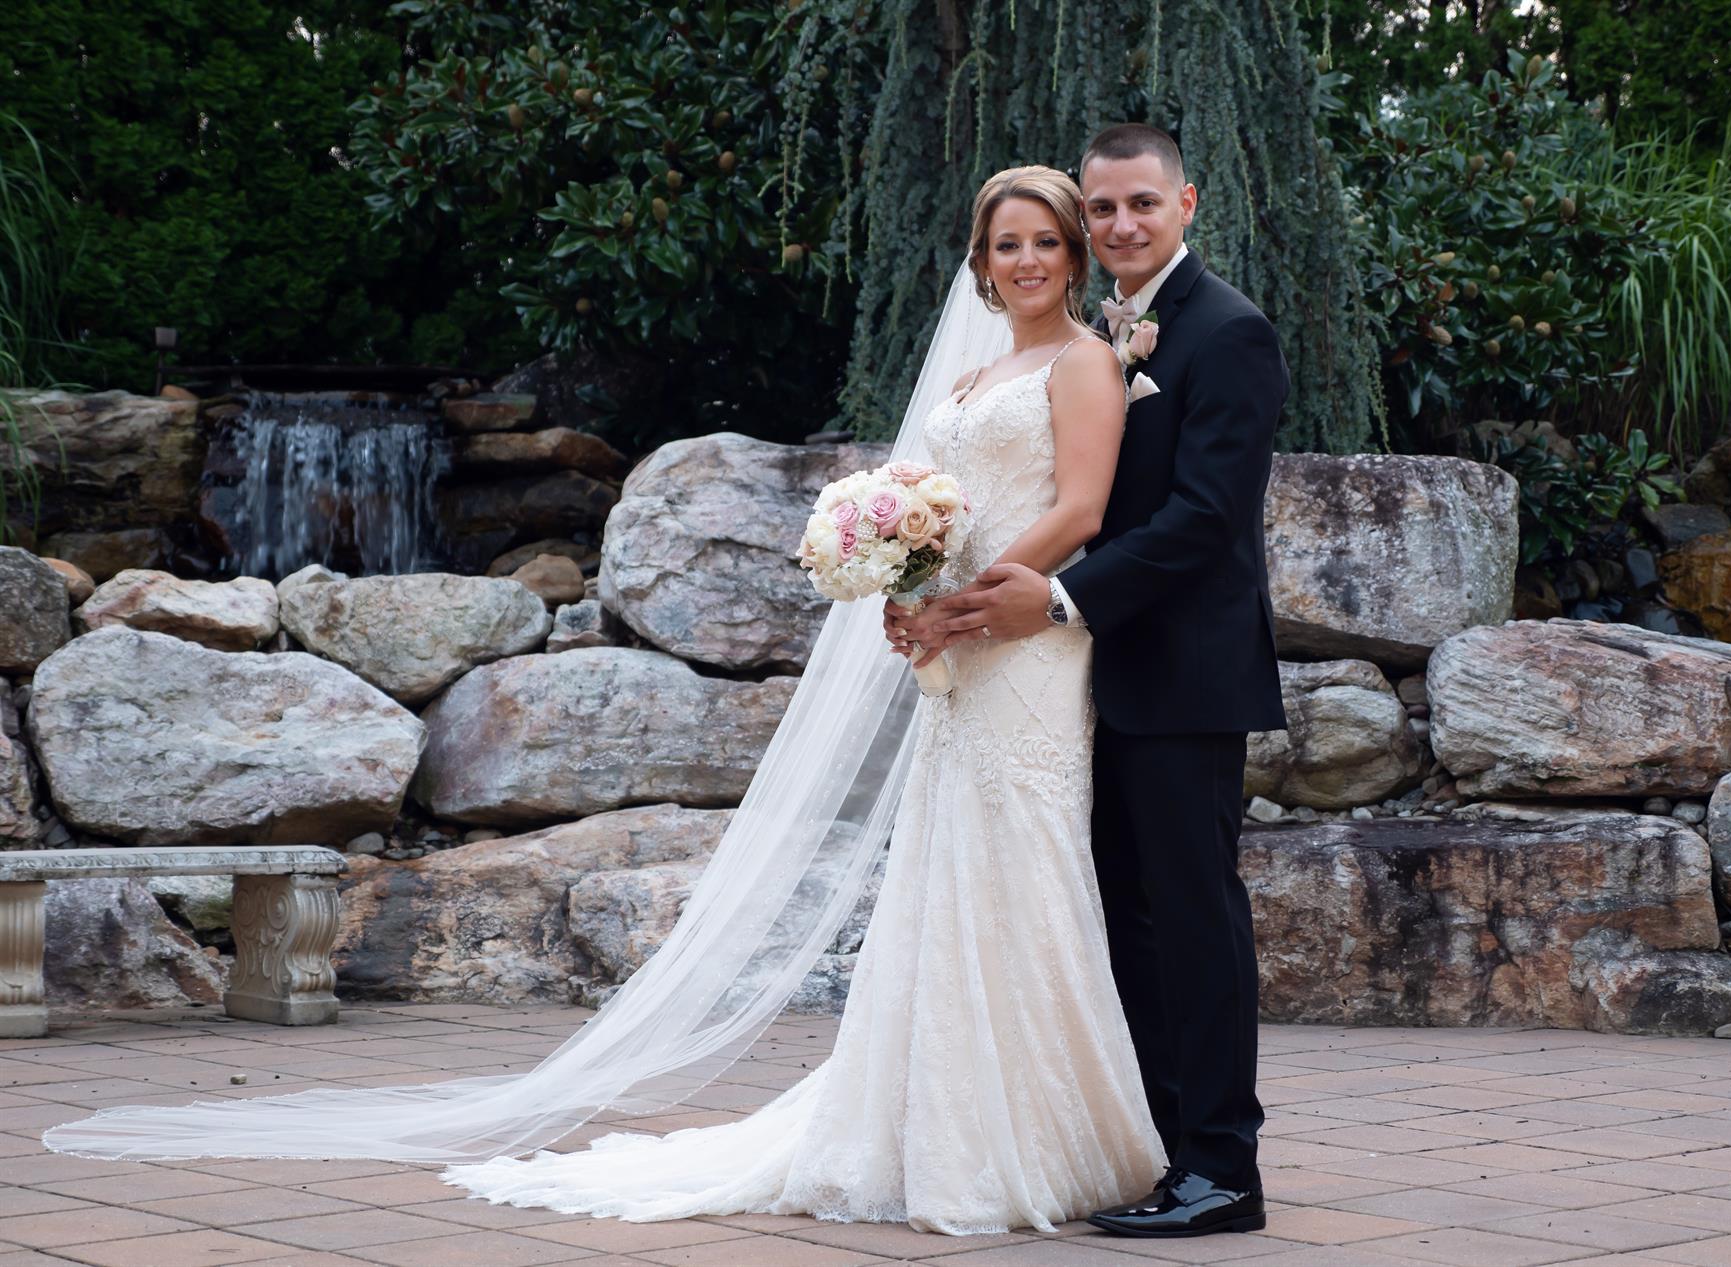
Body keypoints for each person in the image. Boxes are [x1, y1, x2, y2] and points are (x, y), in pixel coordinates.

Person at [44, 163, 1183, 1238]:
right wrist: (911, 592)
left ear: (1073, 256)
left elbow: (1081, 510)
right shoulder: (973, 378)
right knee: (948, 873)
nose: (1025, 261)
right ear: (980, 261)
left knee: (1026, 865)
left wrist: (959, 605)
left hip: (1021, 650)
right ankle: (944, 1130)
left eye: (1045, 242)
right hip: (958, 645)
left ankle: (1043, 1138)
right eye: (1005, 244)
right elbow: (947, 508)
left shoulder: (1083, 364)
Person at [901, 123, 1289, 1238]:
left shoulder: (1227, 331)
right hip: (1087, 677)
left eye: (1141, 204)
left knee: (1195, 920)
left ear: (1186, 204)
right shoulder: (1111, 332)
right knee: (1126, 921)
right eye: (1105, 207)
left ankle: (1223, 1171)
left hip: (1182, 675)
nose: (1122, 224)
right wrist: (931, 591)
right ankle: (1162, 1150)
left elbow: (1204, 519)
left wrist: (1059, 598)